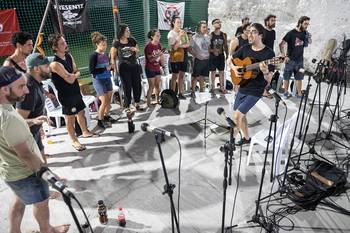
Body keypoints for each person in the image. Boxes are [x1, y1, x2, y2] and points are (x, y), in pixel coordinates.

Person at [0, 66, 70, 233]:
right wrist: (50, 176)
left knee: (19, 201)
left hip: (11, 173)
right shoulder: (9, 119)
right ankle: (47, 230)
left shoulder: (5, 110)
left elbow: (9, 131)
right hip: (27, 174)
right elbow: (26, 155)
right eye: (21, 87)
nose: (26, 90)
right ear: (4, 90)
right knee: (42, 202)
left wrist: (32, 121)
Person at [48, 33, 98, 152]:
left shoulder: (69, 56)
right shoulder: (55, 64)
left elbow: (76, 71)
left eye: (65, 42)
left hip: (75, 91)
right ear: (55, 47)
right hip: (66, 95)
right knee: (69, 118)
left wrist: (73, 75)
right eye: (62, 43)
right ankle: (74, 140)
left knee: (81, 112)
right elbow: (70, 79)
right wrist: (73, 75)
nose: (65, 44)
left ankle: (85, 132)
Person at [229, 23, 275, 146]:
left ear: (260, 35)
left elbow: (269, 78)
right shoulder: (245, 48)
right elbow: (230, 60)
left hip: (256, 90)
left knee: (237, 116)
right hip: (243, 86)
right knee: (240, 115)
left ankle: (231, 143)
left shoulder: (269, 54)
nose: (249, 34)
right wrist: (234, 69)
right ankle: (247, 138)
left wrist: (265, 71)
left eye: (253, 32)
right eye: (249, 32)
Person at [16, 53, 52, 164]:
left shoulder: (36, 82)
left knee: (43, 163)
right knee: (37, 170)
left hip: (34, 132)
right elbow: (18, 122)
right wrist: (34, 122)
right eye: (46, 66)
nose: (49, 68)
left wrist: (38, 126)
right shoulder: (29, 88)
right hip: (27, 139)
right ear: (36, 69)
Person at [111, 24, 143, 110]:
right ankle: (127, 105)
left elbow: (138, 52)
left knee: (137, 85)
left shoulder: (132, 40)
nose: (129, 32)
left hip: (134, 66)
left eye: (129, 30)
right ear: (122, 32)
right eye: (127, 31)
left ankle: (137, 103)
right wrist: (115, 70)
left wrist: (136, 50)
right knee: (126, 86)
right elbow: (113, 57)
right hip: (123, 68)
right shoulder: (116, 43)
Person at [279, 16, 311, 99]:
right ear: (300, 23)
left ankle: (299, 94)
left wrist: (309, 38)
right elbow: (281, 44)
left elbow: (308, 44)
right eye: (305, 24)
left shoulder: (305, 33)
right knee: (287, 77)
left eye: (308, 24)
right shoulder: (291, 33)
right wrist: (284, 56)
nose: (306, 26)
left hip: (300, 60)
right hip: (290, 60)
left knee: (299, 78)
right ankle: (286, 93)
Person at [89, 32, 115, 128]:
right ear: (97, 44)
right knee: (104, 101)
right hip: (98, 81)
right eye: (102, 45)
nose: (104, 47)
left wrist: (111, 67)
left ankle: (107, 116)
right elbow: (92, 70)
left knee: (109, 100)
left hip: (107, 79)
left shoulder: (106, 54)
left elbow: (108, 67)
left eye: (105, 44)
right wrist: (105, 69)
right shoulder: (94, 56)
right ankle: (100, 120)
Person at [167, 16, 190, 99]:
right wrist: (179, 36)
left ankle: (181, 93)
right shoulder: (171, 34)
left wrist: (179, 45)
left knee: (181, 76)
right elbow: (174, 48)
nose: (180, 24)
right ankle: (172, 94)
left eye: (180, 22)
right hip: (175, 57)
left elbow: (187, 44)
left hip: (184, 55)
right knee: (174, 76)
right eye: (178, 22)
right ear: (173, 23)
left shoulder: (183, 32)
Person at [189, 20, 211, 96]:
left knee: (203, 76)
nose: (205, 29)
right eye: (203, 27)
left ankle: (202, 91)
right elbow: (189, 48)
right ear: (199, 28)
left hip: (206, 60)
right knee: (195, 76)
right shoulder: (194, 37)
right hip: (198, 60)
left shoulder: (207, 37)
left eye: (206, 27)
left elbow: (208, 48)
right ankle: (193, 91)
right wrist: (196, 55)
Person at [144, 29, 164, 107]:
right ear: (152, 37)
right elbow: (150, 59)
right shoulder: (148, 46)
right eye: (157, 35)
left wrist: (162, 66)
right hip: (150, 68)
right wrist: (159, 55)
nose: (159, 37)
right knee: (151, 86)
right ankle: (148, 103)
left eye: (159, 35)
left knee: (157, 86)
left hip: (157, 68)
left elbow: (160, 59)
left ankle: (157, 100)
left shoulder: (159, 45)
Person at [209, 18, 228, 94]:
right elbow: (207, 48)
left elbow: (226, 45)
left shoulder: (223, 35)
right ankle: (212, 87)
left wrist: (227, 54)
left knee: (221, 72)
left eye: (220, 22)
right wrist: (213, 51)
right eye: (217, 22)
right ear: (213, 24)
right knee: (213, 72)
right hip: (213, 56)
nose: (219, 24)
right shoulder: (211, 35)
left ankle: (222, 87)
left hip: (221, 56)